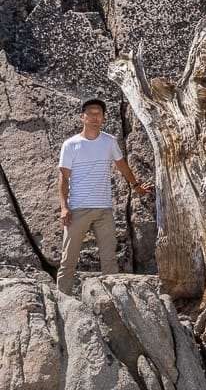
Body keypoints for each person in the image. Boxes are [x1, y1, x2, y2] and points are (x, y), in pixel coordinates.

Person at [57, 98, 151, 294]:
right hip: (77, 209)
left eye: (98, 114)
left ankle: (114, 300)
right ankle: (62, 298)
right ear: (82, 117)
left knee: (109, 259)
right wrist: (64, 207)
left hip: (104, 209)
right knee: (68, 259)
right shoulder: (71, 144)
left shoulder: (109, 141)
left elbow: (122, 165)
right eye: (90, 114)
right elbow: (63, 178)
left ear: (104, 118)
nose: (95, 117)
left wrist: (136, 186)